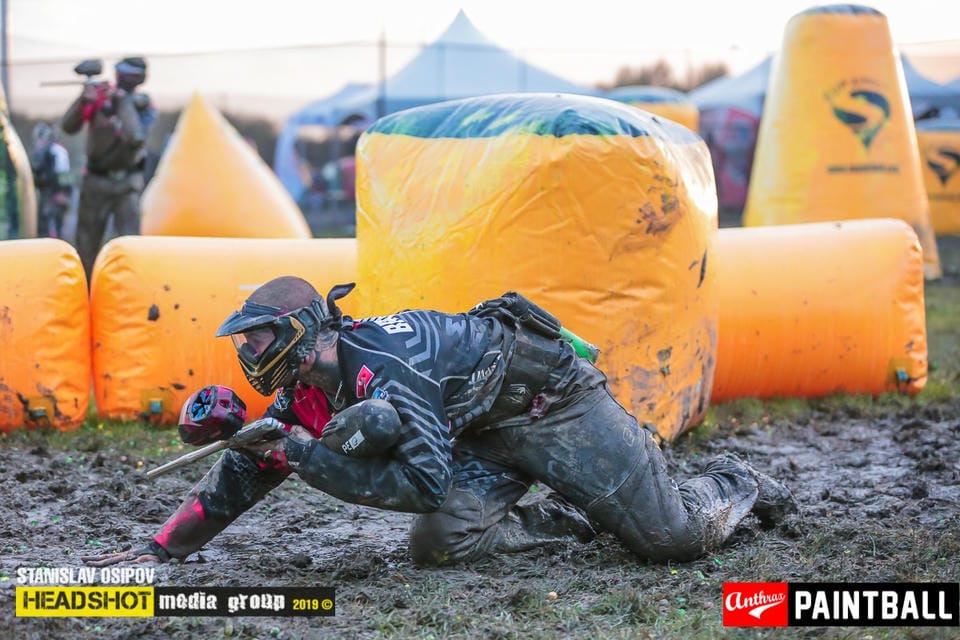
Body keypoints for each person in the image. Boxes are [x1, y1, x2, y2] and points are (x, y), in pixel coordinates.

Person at [82, 277, 797, 568]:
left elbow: (423, 482)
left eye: (258, 339)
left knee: (672, 541)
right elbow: (247, 465)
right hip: (482, 430)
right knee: (440, 544)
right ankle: (575, 516)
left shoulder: (383, 366)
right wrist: (161, 550)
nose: (248, 355)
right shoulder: (311, 384)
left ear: (300, 331)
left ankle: (734, 480)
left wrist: (303, 458)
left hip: (552, 404)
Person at [60, 56, 155, 281]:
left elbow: (135, 137)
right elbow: (68, 127)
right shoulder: (100, 99)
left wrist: (121, 101)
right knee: (87, 243)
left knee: (130, 244)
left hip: (127, 183)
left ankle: (131, 286)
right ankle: (85, 287)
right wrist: (83, 101)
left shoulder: (143, 105)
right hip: (96, 181)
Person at [29, 123, 72, 238]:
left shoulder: (57, 151)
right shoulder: (42, 151)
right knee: (43, 226)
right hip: (45, 193)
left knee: (54, 226)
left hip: (54, 193)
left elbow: (64, 175)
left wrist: (62, 193)